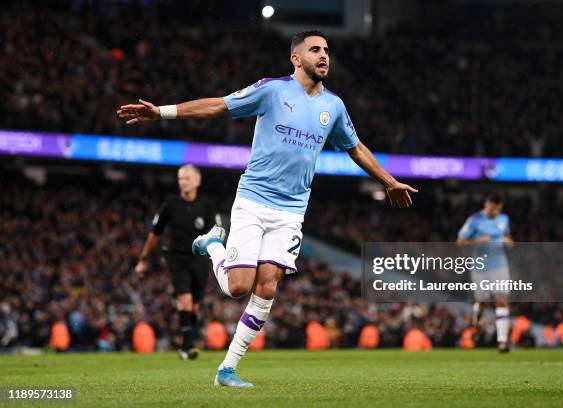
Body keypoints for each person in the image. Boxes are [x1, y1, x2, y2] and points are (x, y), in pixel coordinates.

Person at [117, 30, 417, 387]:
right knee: (237, 287)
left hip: (291, 210)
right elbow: (218, 104)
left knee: (269, 288)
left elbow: (356, 148)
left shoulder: (333, 106)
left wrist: (389, 181)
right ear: (296, 58)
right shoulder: (272, 90)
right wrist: (162, 112)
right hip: (254, 200)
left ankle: (226, 370)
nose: (324, 56)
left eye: (327, 50)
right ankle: (213, 245)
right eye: (316, 50)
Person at [134, 164, 218, 360]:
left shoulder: (207, 205)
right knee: (185, 299)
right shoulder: (171, 204)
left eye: (187, 178)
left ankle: (189, 341)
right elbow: (155, 233)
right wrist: (143, 258)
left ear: (197, 181)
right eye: (181, 179)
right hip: (176, 258)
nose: (183, 182)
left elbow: (216, 234)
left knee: (195, 305)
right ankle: (187, 346)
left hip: (200, 259)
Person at [457, 193, 514, 352]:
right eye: (492, 208)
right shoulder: (474, 220)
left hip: (500, 265)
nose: (494, 212)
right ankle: (478, 312)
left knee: (502, 300)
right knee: (482, 300)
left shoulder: (504, 219)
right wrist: (477, 241)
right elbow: (460, 241)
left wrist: (509, 241)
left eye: (497, 209)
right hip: (480, 267)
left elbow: (506, 235)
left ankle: (502, 341)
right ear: (486, 204)